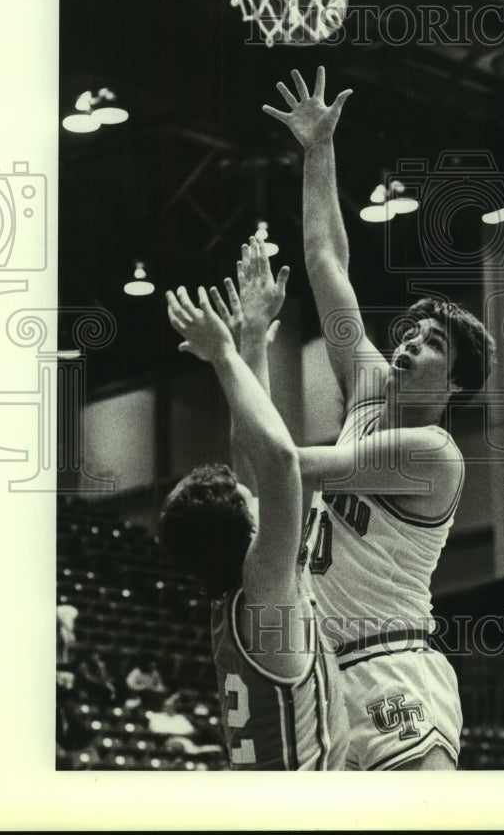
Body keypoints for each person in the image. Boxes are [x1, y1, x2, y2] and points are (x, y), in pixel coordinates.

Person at [263, 67, 496, 771]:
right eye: (411, 333)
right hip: (325, 669)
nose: (409, 343)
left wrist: (237, 361)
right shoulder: (368, 391)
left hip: (391, 663)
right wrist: (318, 151)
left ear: (453, 384)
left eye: (432, 345)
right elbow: (328, 261)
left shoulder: (431, 452)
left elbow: (290, 466)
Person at [158, 260, 348, 771]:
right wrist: (224, 354)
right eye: (247, 500)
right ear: (246, 532)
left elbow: (255, 460)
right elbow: (280, 462)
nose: (256, 496)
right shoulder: (266, 591)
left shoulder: (245, 596)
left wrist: (253, 342)